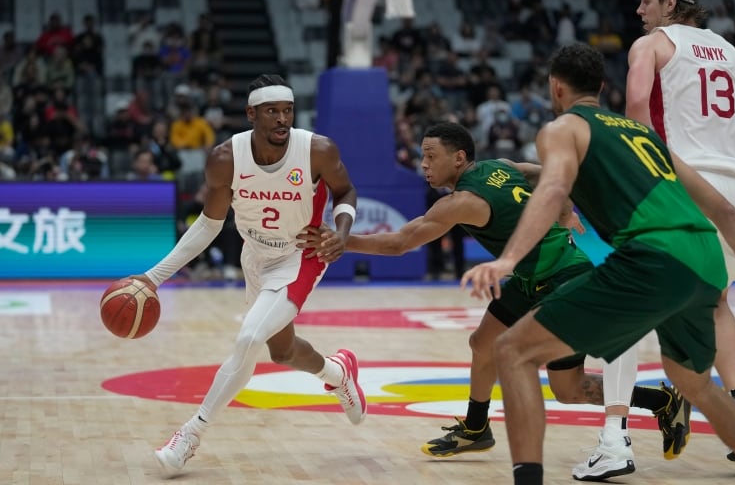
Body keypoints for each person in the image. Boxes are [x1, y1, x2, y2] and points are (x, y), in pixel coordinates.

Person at [461, 42, 735, 485]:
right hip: (704, 260)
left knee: (512, 351)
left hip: (653, 258)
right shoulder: (640, 132)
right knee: (695, 384)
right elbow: (724, 210)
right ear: (602, 86)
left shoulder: (562, 128)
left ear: (556, 87)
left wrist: (509, 258)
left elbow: (554, 190)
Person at [298, 120, 690, 479]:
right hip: (527, 277)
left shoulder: (460, 202)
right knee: (482, 342)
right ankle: (476, 428)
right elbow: (539, 172)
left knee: (567, 390)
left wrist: (341, 241)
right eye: (422, 156)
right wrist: (566, 203)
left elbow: (401, 242)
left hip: (564, 275)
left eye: (431, 156)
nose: (424, 165)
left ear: (460, 158)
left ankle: (660, 400)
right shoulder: (498, 166)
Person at [128, 74, 367, 478]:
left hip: (301, 255)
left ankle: (189, 435)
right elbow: (208, 225)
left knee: (249, 338)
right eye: (272, 111)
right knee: (282, 351)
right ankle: (338, 372)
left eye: (287, 111)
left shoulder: (316, 150)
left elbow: (345, 192)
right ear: (251, 114)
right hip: (255, 256)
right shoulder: (226, 157)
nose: (281, 120)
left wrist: (340, 234)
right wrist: (153, 278)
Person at [627, 0, 735, 462]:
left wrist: (640, 184)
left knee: (631, 296)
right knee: (717, 304)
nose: (639, 9)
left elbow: (634, 115)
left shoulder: (650, 47)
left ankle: (619, 433)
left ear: (671, 4)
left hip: (681, 180)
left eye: (647, 0)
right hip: (734, 185)